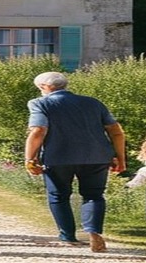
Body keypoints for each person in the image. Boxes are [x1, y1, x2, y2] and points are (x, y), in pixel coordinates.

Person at [24, 71, 125, 252]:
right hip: (97, 156)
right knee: (94, 195)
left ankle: (67, 235)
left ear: (44, 87)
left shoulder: (39, 103)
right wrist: (120, 158)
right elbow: (115, 131)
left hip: (59, 156)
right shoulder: (93, 103)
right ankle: (93, 231)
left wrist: (30, 159)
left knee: (58, 196)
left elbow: (38, 130)